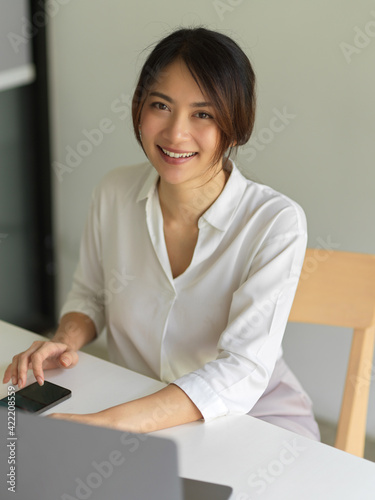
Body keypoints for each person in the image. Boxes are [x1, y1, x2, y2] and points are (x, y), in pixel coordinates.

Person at [3, 27, 320, 441]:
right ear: (138, 108)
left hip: (255, 424)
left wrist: (104, 425)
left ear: (236, 124)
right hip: (141, 405)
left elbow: (240, 370)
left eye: (202, 114)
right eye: (160, 105)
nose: (175, 134)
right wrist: (63, 339)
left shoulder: (275, 223)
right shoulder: (114, 192)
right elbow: (92, 295)